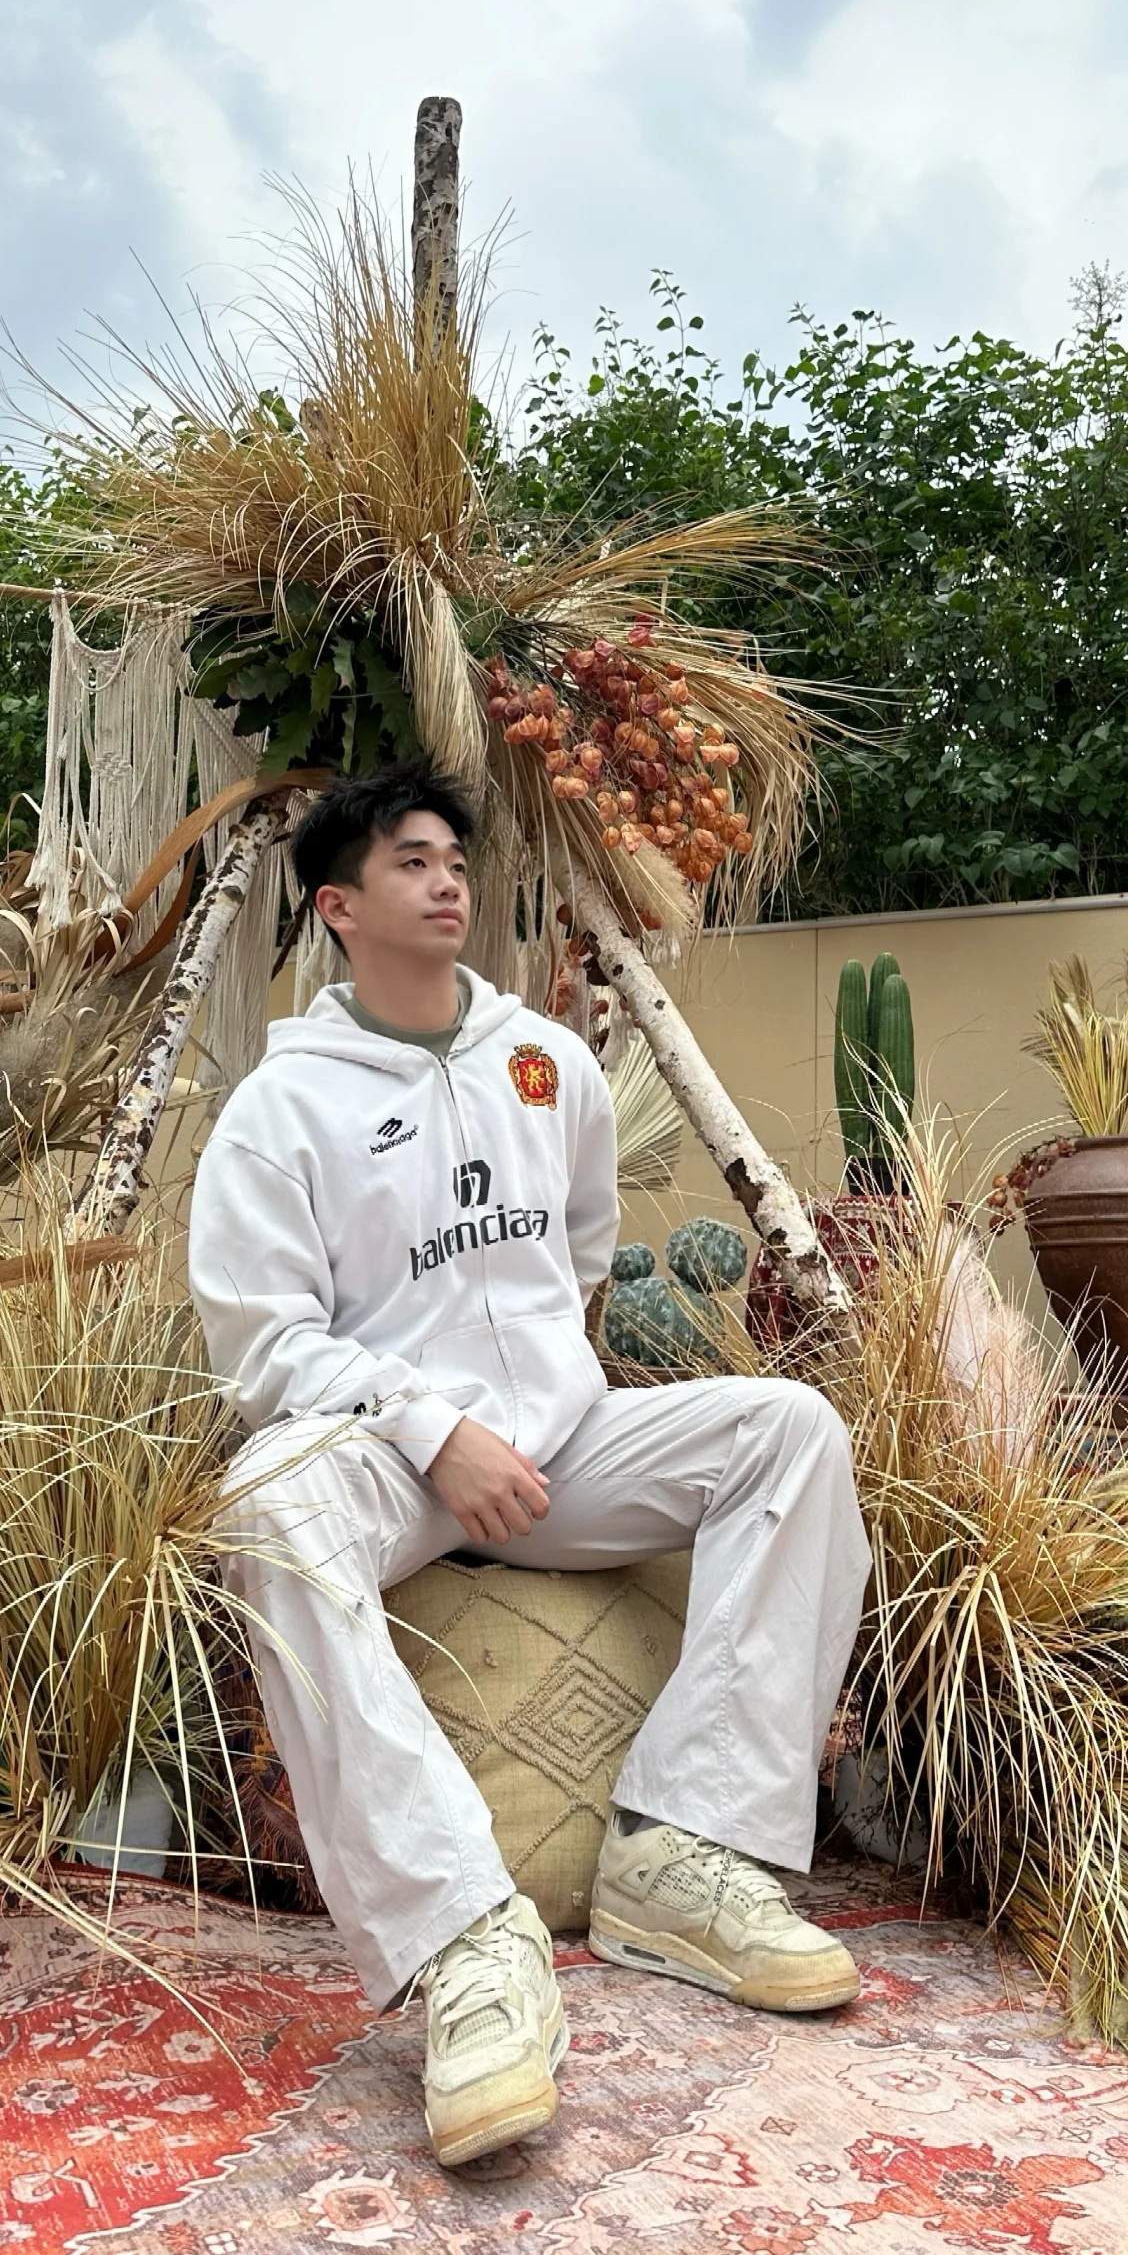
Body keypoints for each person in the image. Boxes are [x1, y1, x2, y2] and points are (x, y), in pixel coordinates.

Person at [188, 760, 872, 2170]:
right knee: (263, 1504)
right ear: (338, 907)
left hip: (561, 1450)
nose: (448, 880)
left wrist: (532, 1405)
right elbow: (264, 1346)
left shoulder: (544, 1063)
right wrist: (435, 1430)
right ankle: (463, 1941)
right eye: (411, 861)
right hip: (393, 1460)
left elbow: (578, 1254)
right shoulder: (279, 1108)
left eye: (455, 858)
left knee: (789, 1432)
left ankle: (683, 1855)